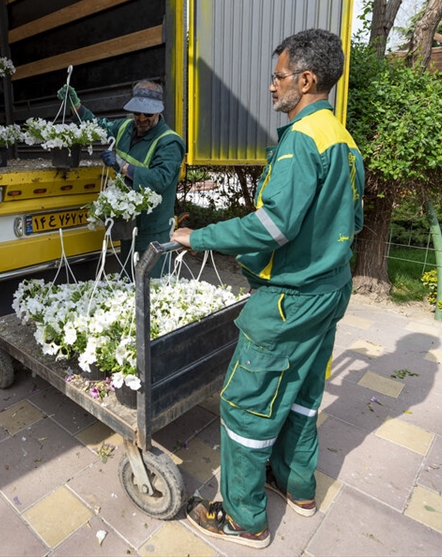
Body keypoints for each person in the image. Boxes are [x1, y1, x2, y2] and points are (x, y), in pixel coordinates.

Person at [172, 29, 364, 549]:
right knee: (301, 393)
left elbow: (273, 227)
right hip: (329, 291)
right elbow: (354, 219)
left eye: (278, 77)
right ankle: (297, 485)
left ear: (305, 80)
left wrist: (199, 236)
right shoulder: (343, 141)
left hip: (288, 301)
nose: (271, 87)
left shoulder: (302, 140)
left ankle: (243, 518)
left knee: (245, 405)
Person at [58, 81, 186, 276]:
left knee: (152, 286)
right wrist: (76, 106)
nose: (141, 118)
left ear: (159, 111)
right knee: (128, 282)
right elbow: (97, 127)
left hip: (153, 229)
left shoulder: (169, 142)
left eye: (147, 114)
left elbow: (160, 179)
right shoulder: (125, 127)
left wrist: (123, 165)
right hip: (128, 224)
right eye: (137, 113)